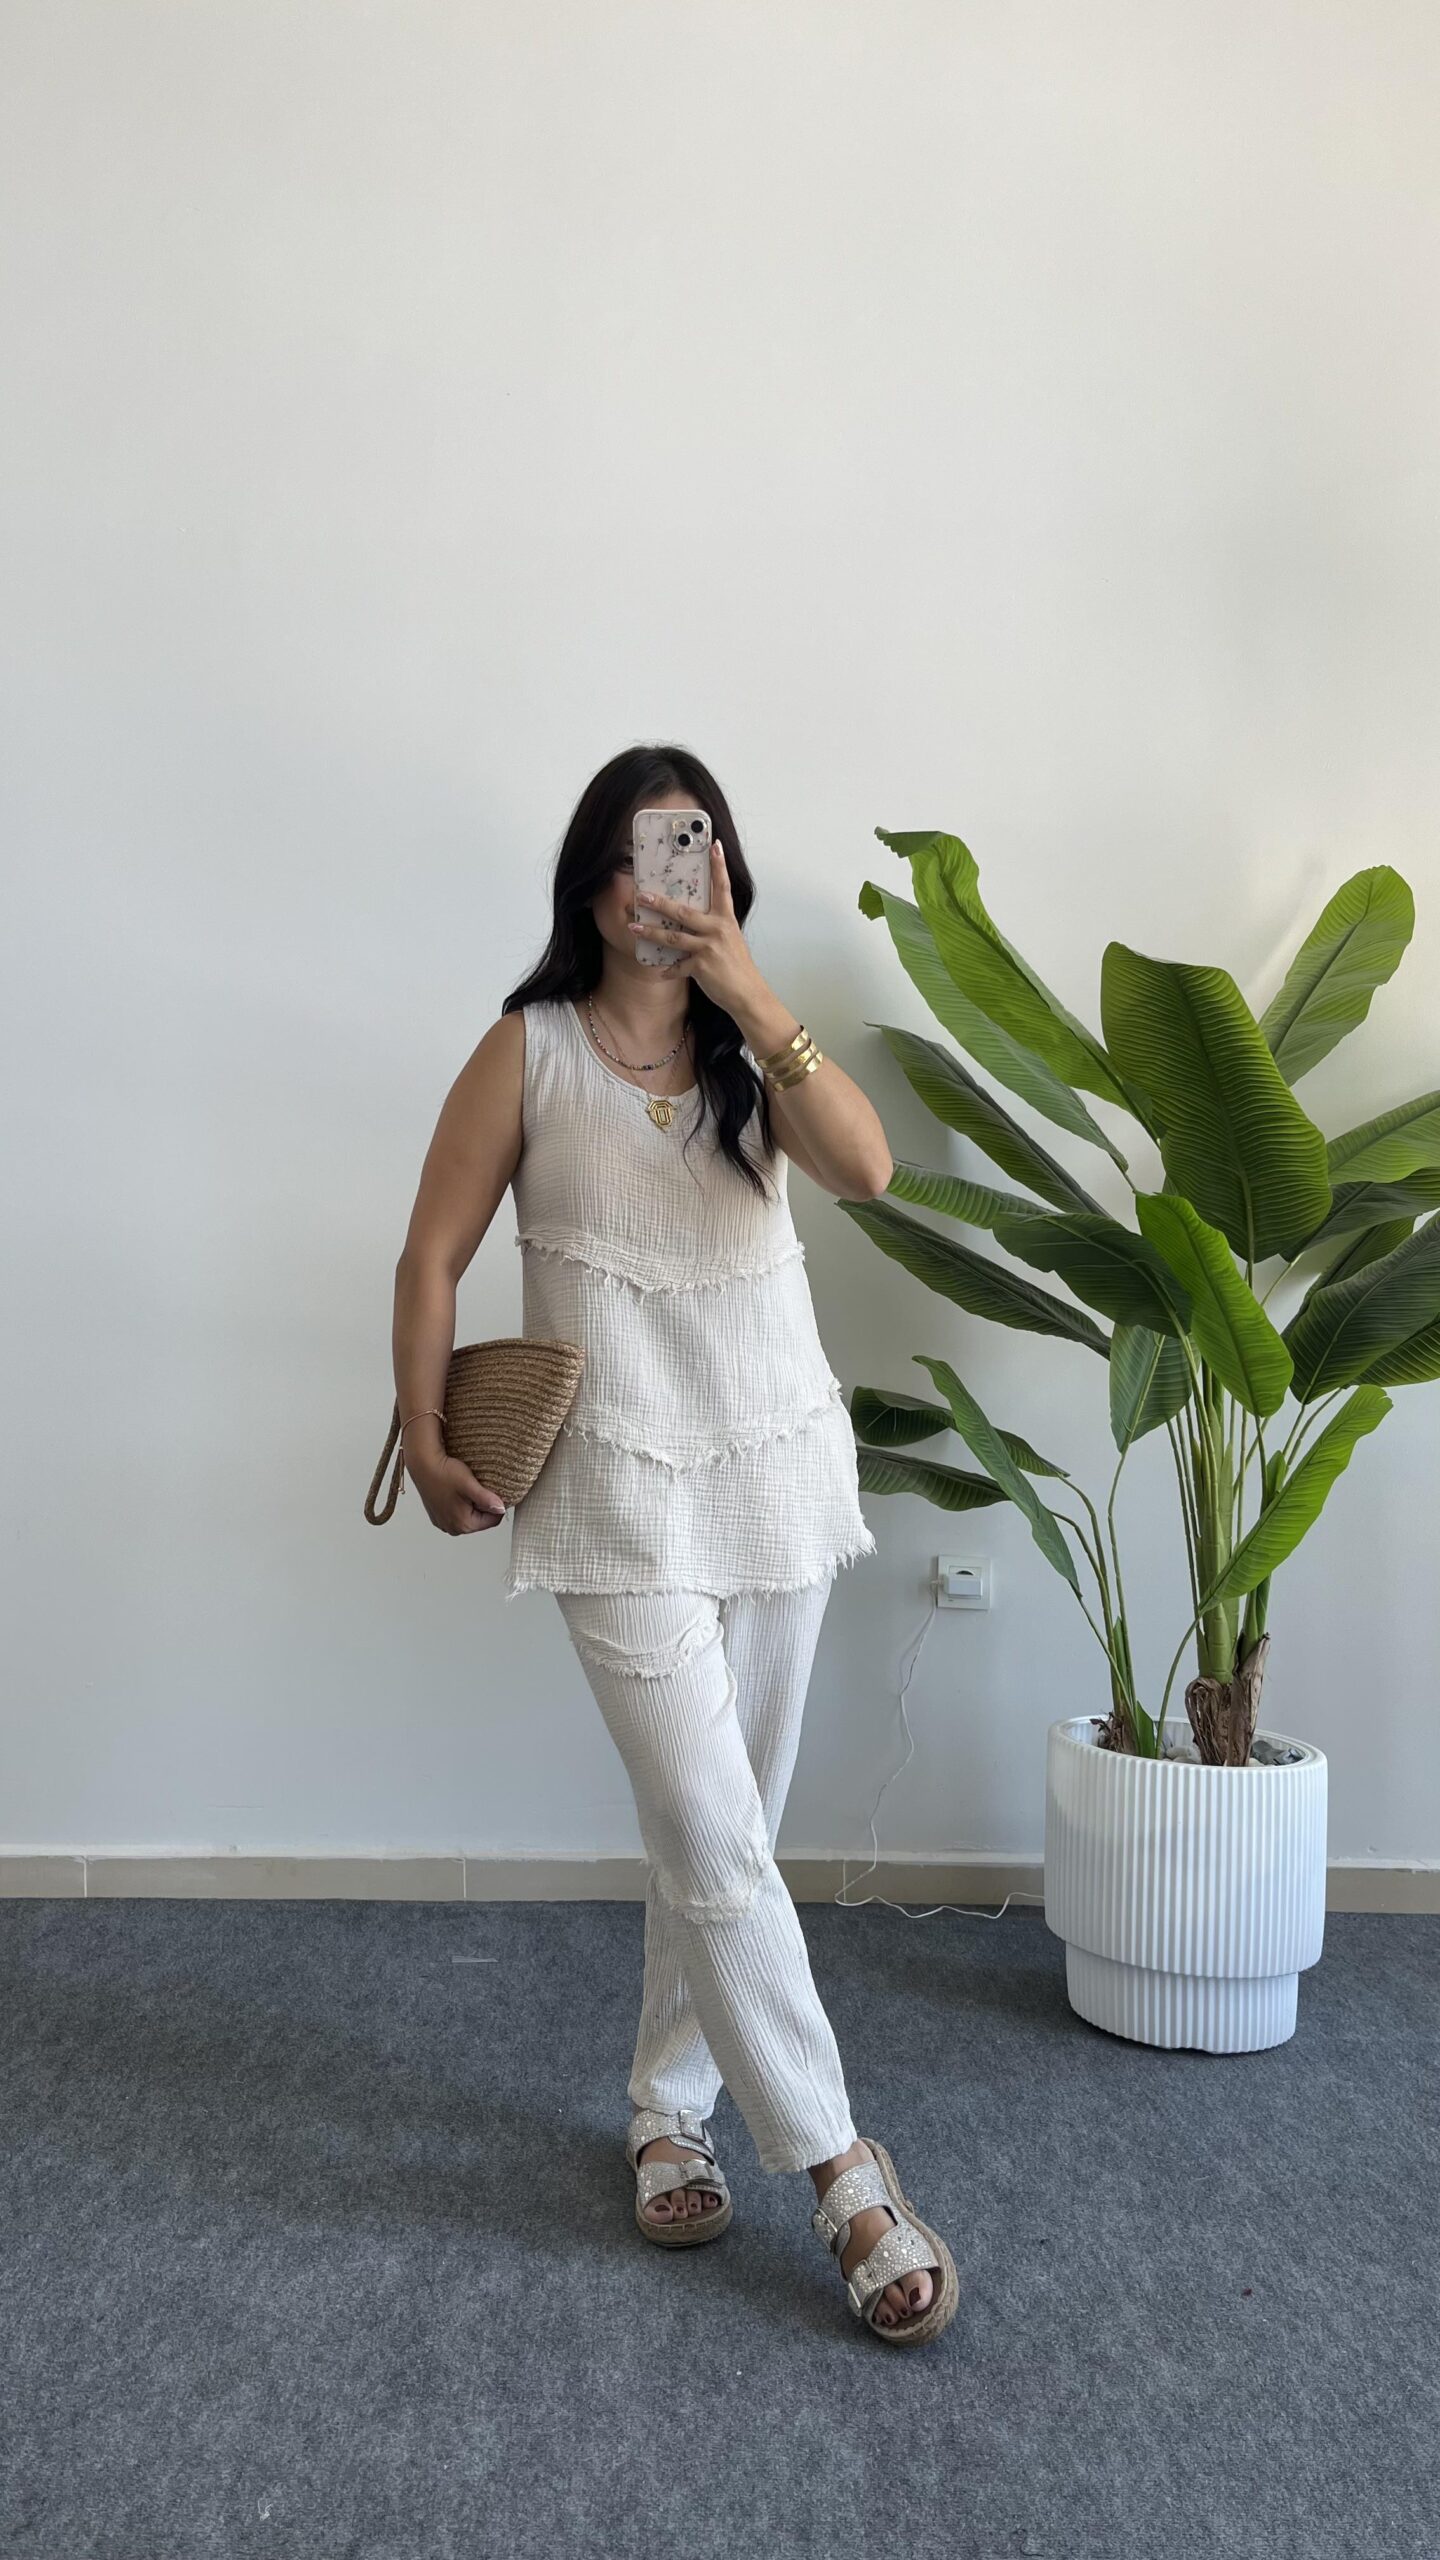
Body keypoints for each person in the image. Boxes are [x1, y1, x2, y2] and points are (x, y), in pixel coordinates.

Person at [390, 744, 958, 2345]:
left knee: (725, 1838)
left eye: (696, 853)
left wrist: (752, 993)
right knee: (712, 1829)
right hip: (612, 1493)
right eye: (646, 856)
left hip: (774, 1475)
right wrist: (423, 1431)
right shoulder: (528, 1051)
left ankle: (666, 2110)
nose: (669, 883)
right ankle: (843, 2172)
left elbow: (867, 1168)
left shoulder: (752, 1051)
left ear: (723, 876)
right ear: (594, 886)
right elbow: (432, 1255)